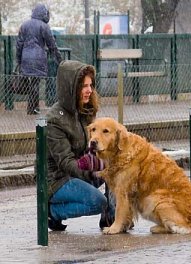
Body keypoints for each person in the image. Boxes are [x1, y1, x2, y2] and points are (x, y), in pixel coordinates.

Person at [46, 60, 115, 231]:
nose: (89, 90)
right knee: (97, 202)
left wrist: (105, 160)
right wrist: (92, 172)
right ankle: (52, 212)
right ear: (71, 88)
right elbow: (65, 162)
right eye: (84, 86)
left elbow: (91, 147)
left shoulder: (84, 111)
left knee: (114, 168)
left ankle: (110, 218)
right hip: (56, 178)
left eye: (91, 85)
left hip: (79, 171)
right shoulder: (55, 120)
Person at [16, 3, 62, 115]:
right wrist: (60, 61)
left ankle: (31, 108)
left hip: (26, 58)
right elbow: (52, 45)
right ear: (44, 13)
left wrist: (19, 60)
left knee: (31, 82)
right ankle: (33, 108)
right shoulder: (44, 26)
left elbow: (19, 44)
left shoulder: (24, 25)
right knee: (35, 83)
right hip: (38, 58)